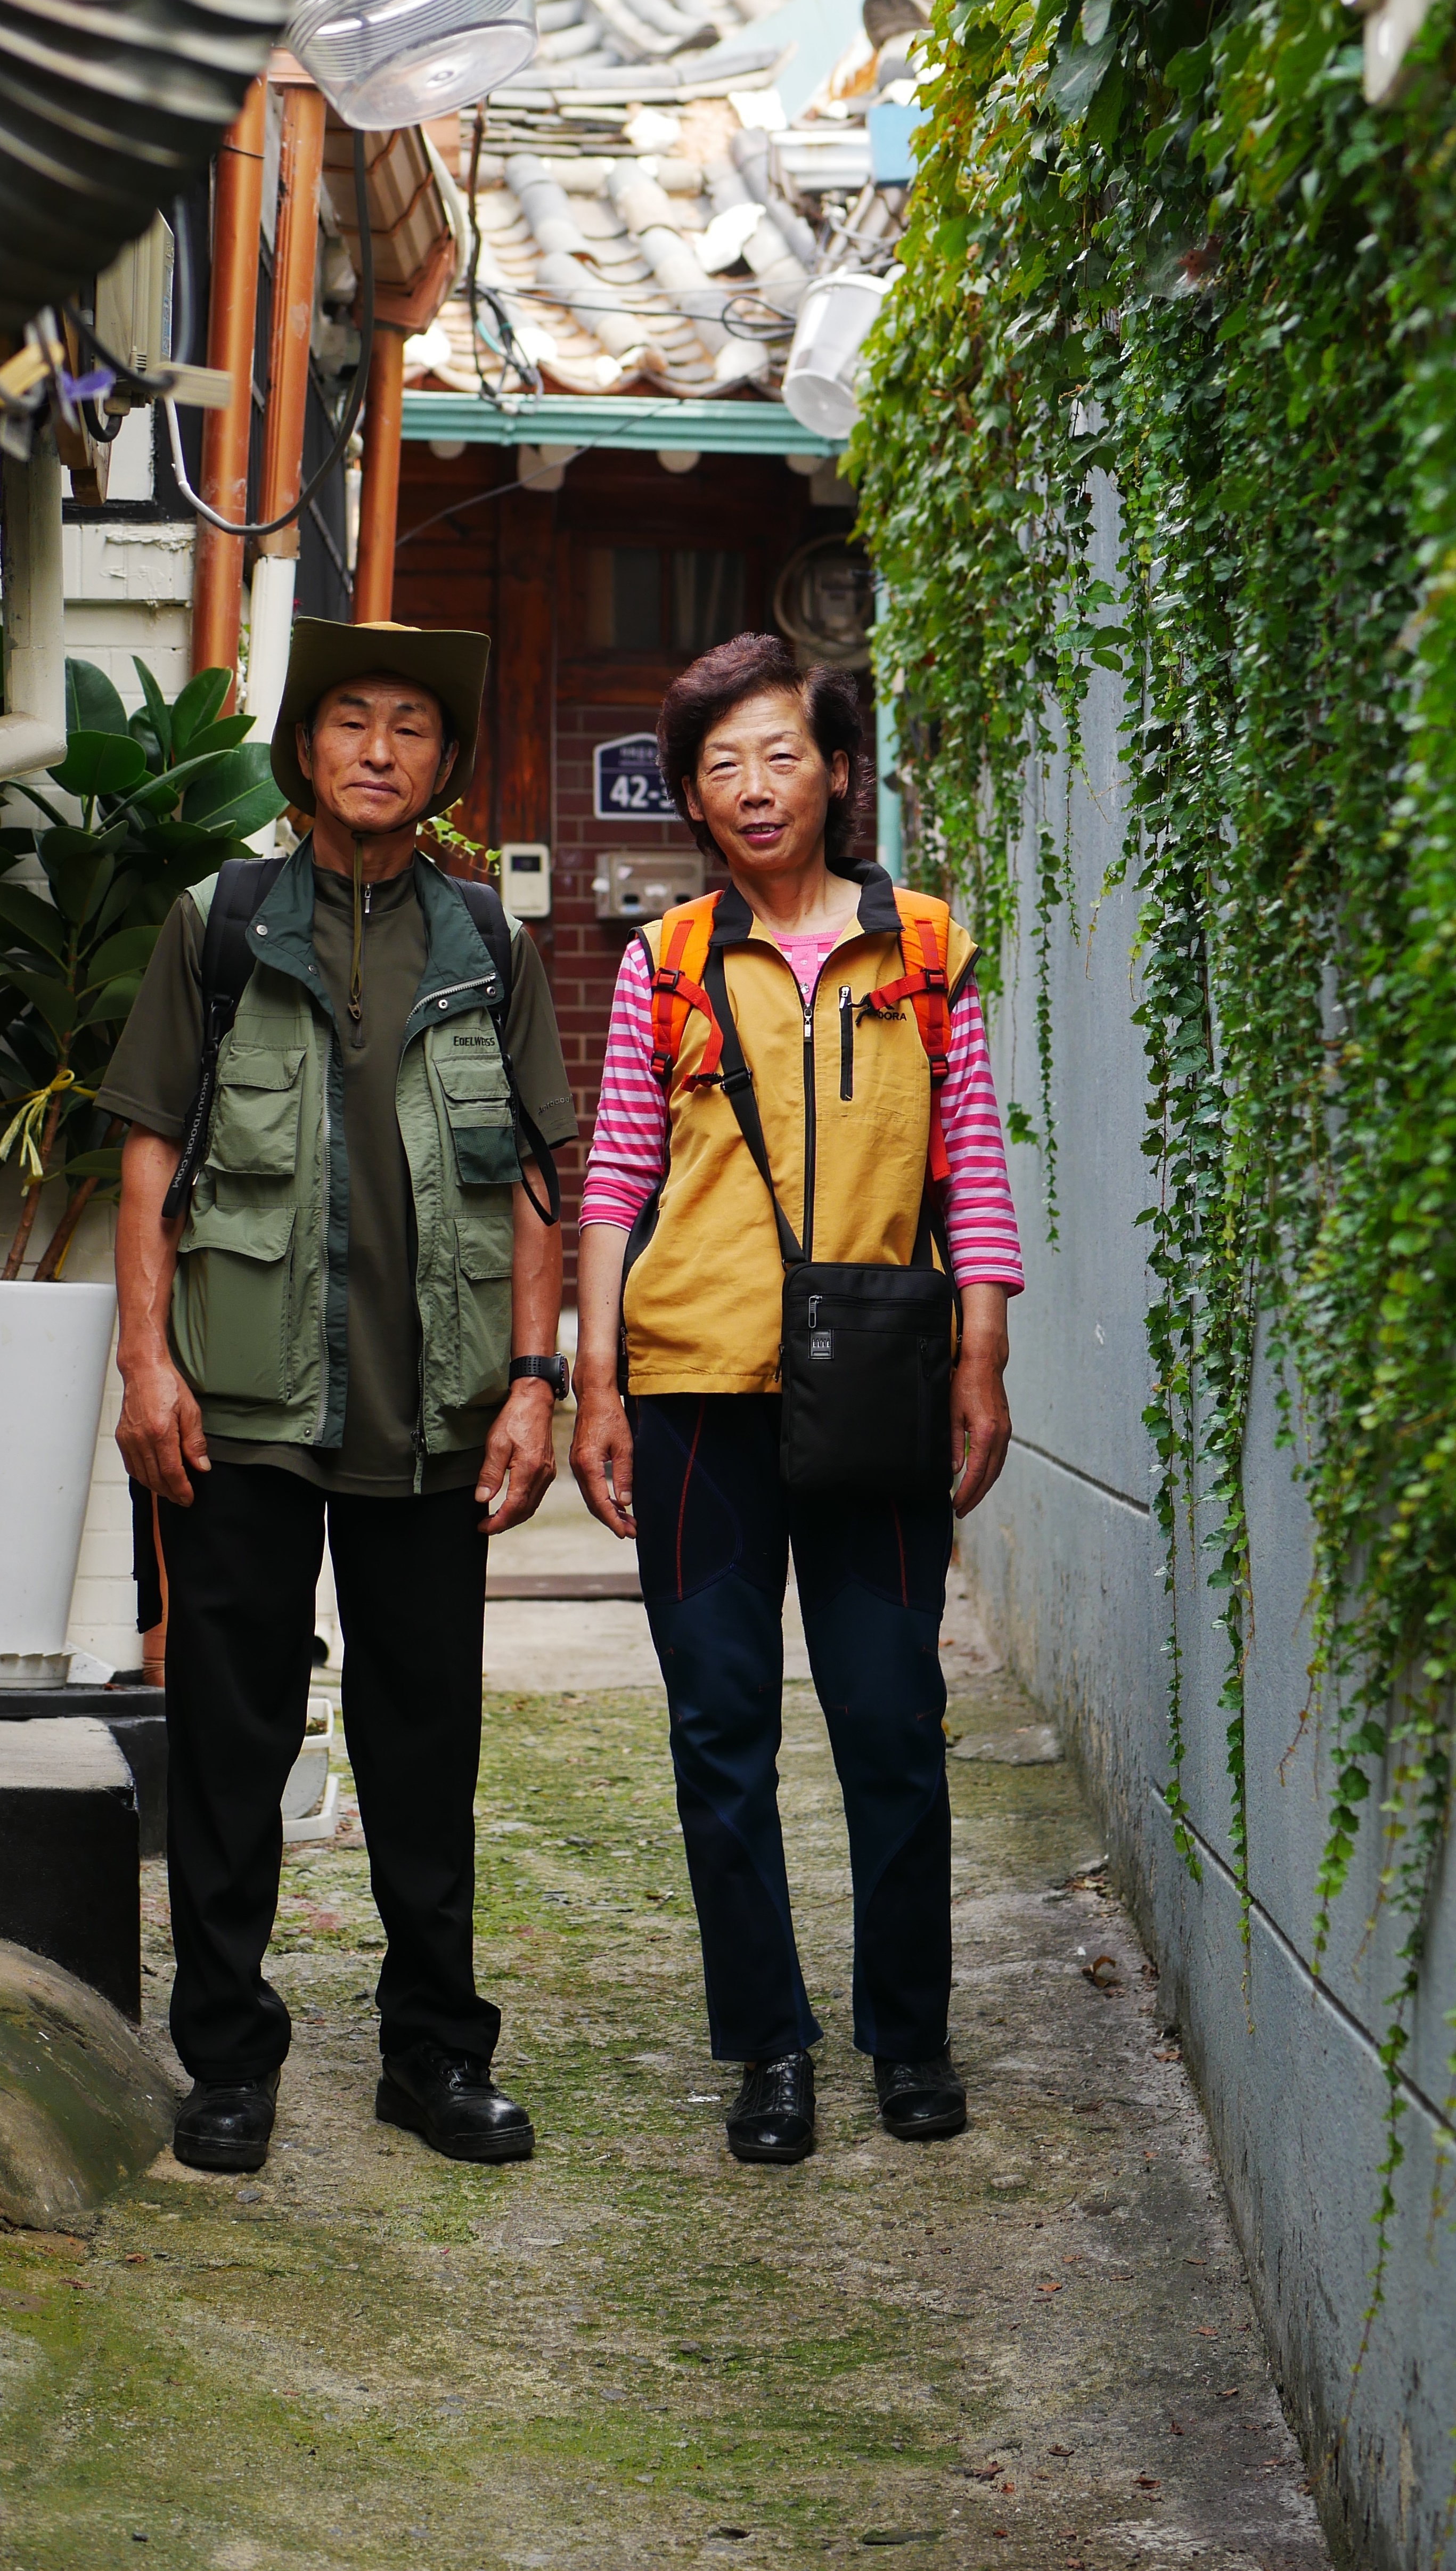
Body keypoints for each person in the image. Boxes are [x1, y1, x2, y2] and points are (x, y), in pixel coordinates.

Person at [99, 621, 578, 2176]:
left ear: (446, 765)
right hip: (240, 1406)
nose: (380, 749)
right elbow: (152, 1153)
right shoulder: (221, 924)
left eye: (413, 726)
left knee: (426, 1744)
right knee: (229, 1738)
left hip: (437, 1411)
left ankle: (434, 2053)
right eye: (352, 721)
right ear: (305, 752)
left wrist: (535, 1381)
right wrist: (145, 1363)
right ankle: (229, 2060)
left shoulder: (490, 941)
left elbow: (539, 1184)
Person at [570, 632, 1023, 2166]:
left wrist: (981, 1351)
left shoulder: (927, 949)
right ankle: (769, 2046)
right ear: (693, 798)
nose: (756, 787)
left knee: (892, 1718)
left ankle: (911, 2033)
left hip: (881, 1377)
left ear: (838, 770)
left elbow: (971, 1163)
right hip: (697, 1388)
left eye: (782, 754)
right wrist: (596, 1378)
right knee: (722, 1730)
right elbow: (615, 1181)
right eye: (722, 766)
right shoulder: (667, 960)